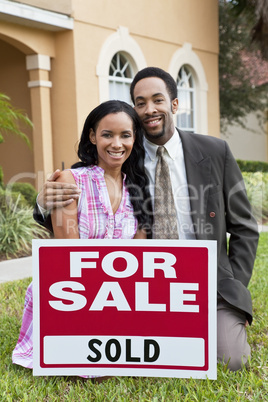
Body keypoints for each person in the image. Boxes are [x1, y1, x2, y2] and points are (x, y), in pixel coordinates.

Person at [34, 67, 259, 372]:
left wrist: (235, 288)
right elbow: (75, 201)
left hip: (209, 284)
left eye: (157, 100)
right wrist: (42, 203)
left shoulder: (215, 151)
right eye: (140, 103)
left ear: (175, 104)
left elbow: (244, 228)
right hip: (144, 290)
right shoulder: (121, 157)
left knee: (232, 360)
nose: (149, 109)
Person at [12, 100, 153, 371]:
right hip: (71, 291)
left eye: (125, 135)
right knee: (93, 370)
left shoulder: (138, 190)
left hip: (117, 294)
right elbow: (68, 259)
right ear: (92, 136)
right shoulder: (70, 180)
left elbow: (138, 262)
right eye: (107, 134)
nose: (117, 144)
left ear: (135, 138)